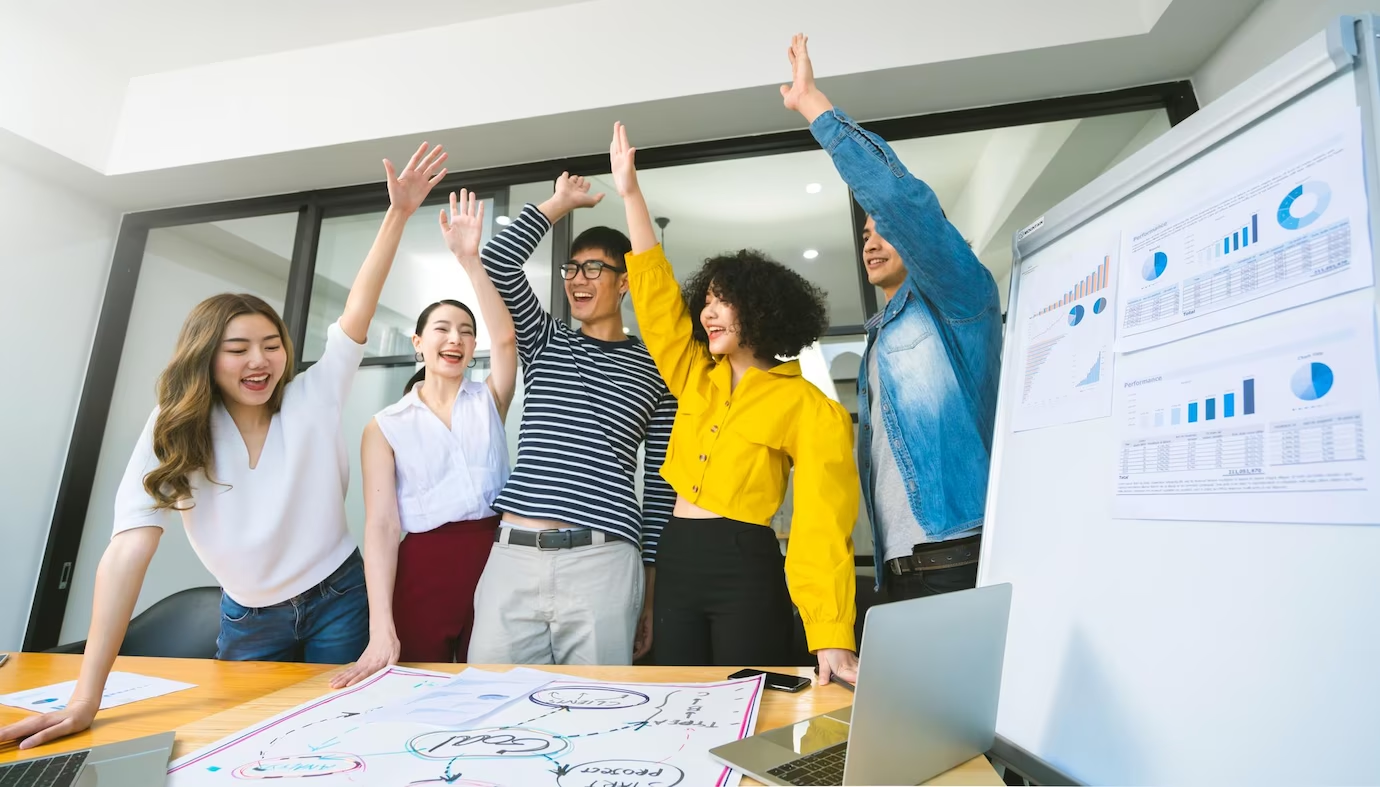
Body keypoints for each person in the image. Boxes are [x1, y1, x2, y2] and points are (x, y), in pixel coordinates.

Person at [0, 143, 448, 750]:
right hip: (248, 617)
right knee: (248, 745)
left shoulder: (316, 394)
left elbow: (355, 311)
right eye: (238, 349)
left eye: (272, 343)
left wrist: (397, 215)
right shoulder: (177, 426)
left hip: (340, 595)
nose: (260, 360)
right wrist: (87, 695)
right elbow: (128, 551)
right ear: (206, 357)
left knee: (345, 740)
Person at [610, 122, 861, 684]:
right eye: (707, 302)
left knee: (751, 703)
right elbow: (655, 303)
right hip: (677, 555)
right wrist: (631, 194)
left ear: (762, 312)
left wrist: (831, 636)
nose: (708, 313)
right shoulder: (694, 374)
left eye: (725, 303)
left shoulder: (809, 408)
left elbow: (824, 524)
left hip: (745, 561)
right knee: (680, 701)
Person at [781, 35, 1003, 602]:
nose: (872, 243)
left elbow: (906, 207)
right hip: (899, 568)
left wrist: (816, 110)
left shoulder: (957, 298)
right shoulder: (883, 334)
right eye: (865, 235)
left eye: (885, 232)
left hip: (958, 559)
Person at [466, 172, 676, 666]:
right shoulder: (546, 339)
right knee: (487, 702)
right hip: (514, 558)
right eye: (571, 269)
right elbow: (497, 262)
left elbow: (662, 485)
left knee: (598, 712)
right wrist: (558, 204)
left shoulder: (658, 368)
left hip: (604, 560)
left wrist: (649, 587)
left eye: (593, 269)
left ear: (624, 281)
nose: (577, 279)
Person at [331, 190, 517, 688]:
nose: (455, 339)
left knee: (491, 687)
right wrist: (379, 626)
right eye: (442, 329)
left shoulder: (489, 400)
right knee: (417, 691)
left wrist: (470, 260)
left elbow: (507, 340)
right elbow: (382, 527)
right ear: (418, 343)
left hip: (499, 560)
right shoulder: (386, 425)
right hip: (423, 570)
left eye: (465, 332)